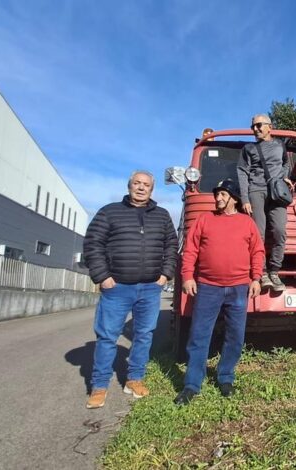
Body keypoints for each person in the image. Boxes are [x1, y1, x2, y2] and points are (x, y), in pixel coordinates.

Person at [83, 170, 179, 409]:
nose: (141, 188)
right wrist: (102, 276)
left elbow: (172, 245)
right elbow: (93, 243)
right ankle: (99, 386)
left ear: (152, 189)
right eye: (137, 183)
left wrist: (166, 274)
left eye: (146, 185)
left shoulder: (162, 215)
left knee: (144, 335)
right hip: (117, 288)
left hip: (149, 288)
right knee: (107, 337)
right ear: (129, 186)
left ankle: (134, 380)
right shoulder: (109, 212)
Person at [174, 179, 264, 406]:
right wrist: (187, 276)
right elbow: (191, 249)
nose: (218, 198)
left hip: (238, 288)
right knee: (199, 336)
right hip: (208, 287)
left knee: (235, 336)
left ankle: (225, 377)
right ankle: (192, 385)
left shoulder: (247, 222)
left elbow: (257, 251)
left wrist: (255, 278)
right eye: (217, 194)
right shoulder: (205, 219)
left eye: (222, 194)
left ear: (233, 197)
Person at [236, 113, 293, 293]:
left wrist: (284, 177)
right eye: (253, 126)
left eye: (259, 125)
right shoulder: (248, 148)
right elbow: (242, 172)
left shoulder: (280, 145)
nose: (255, 129)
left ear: (270, 126)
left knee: (279, 230)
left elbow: (286, 164)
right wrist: (245, 198)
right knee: (258, 234)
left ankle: (275, 270)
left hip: (277, 193)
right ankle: (262, 272)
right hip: (256, 191)